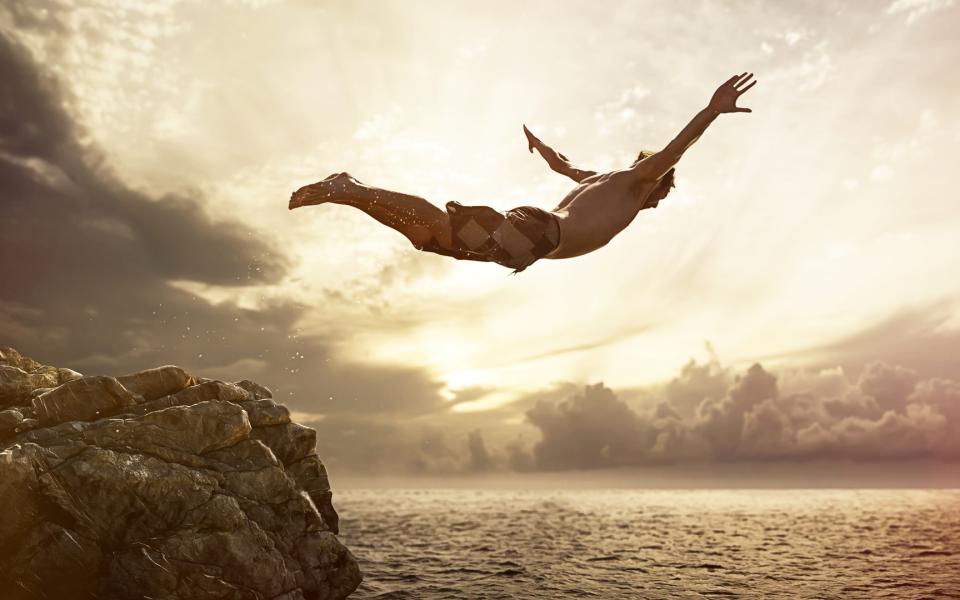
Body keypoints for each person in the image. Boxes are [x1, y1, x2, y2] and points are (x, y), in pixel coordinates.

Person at [289, 72, 756, 274]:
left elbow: (567, 164)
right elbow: (570, 164)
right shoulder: (621, 181)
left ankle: (348, 191)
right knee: (438, 228)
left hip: (530, 241)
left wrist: (710, 110)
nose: (656, 195)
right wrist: (711, 111)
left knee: (427, 238)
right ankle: (348, 189)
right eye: (658, 185)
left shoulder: (620, 182)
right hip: (534, 236)